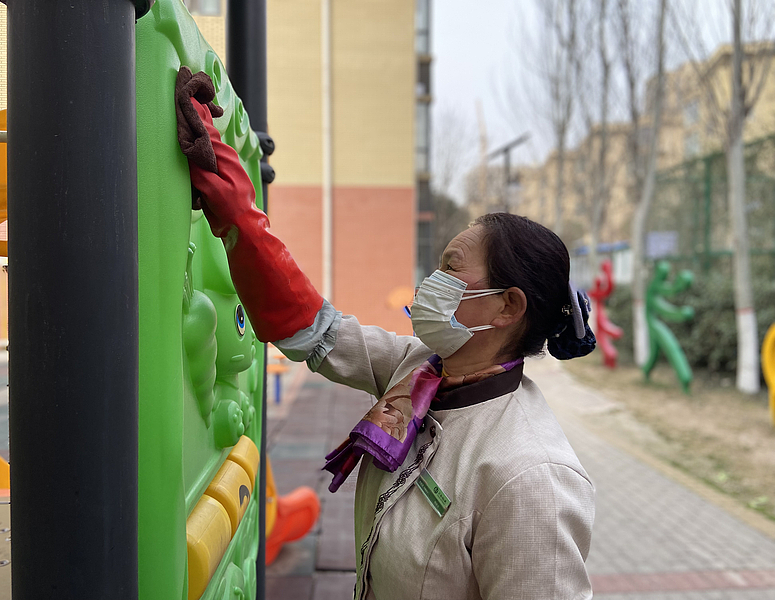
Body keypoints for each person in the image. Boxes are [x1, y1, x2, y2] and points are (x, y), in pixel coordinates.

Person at [175, 67, 597, 600]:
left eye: (451, 268)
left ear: (507, 306)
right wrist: (229, 194)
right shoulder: (421, 370)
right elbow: (310, 327)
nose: (432, 281)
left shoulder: (530, 475)